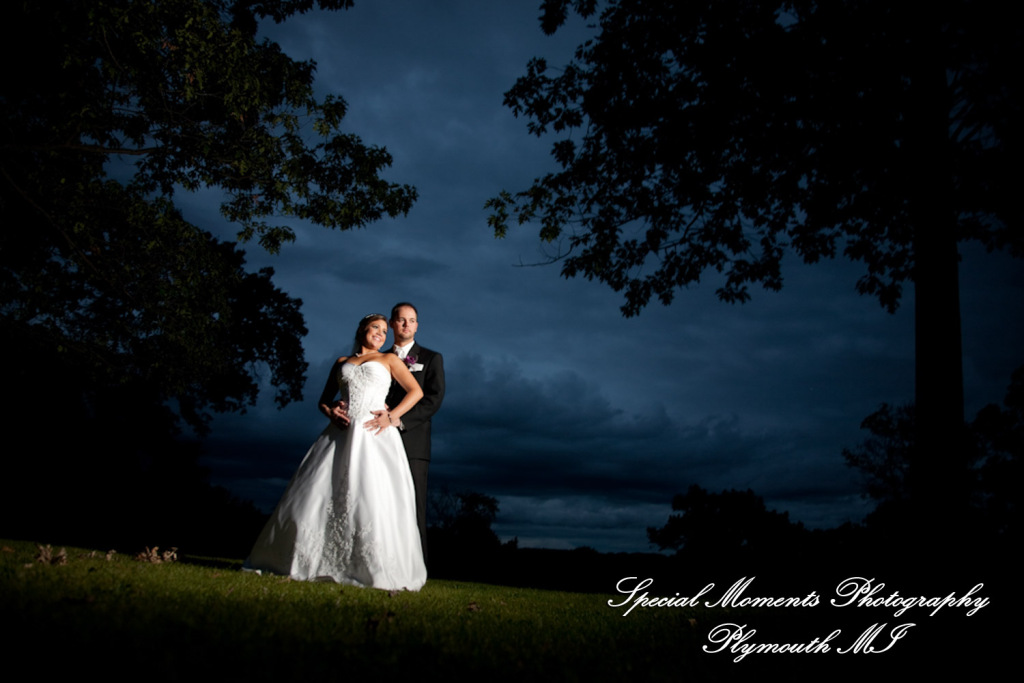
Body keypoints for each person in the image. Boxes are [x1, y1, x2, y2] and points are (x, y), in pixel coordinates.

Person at [243, 314, 426, 590]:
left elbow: (415, 392)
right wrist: (330, 412)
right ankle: (305, 559)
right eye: (375, 327)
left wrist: (391, 417)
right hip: (340, 434)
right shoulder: (342, 362)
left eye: (384, 330)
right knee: (320, 492)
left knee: (369, 494)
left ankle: (369, 566)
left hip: (374, 433)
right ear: (362, 330)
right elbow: (323, 401)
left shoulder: (389, 359)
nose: (381, 333)